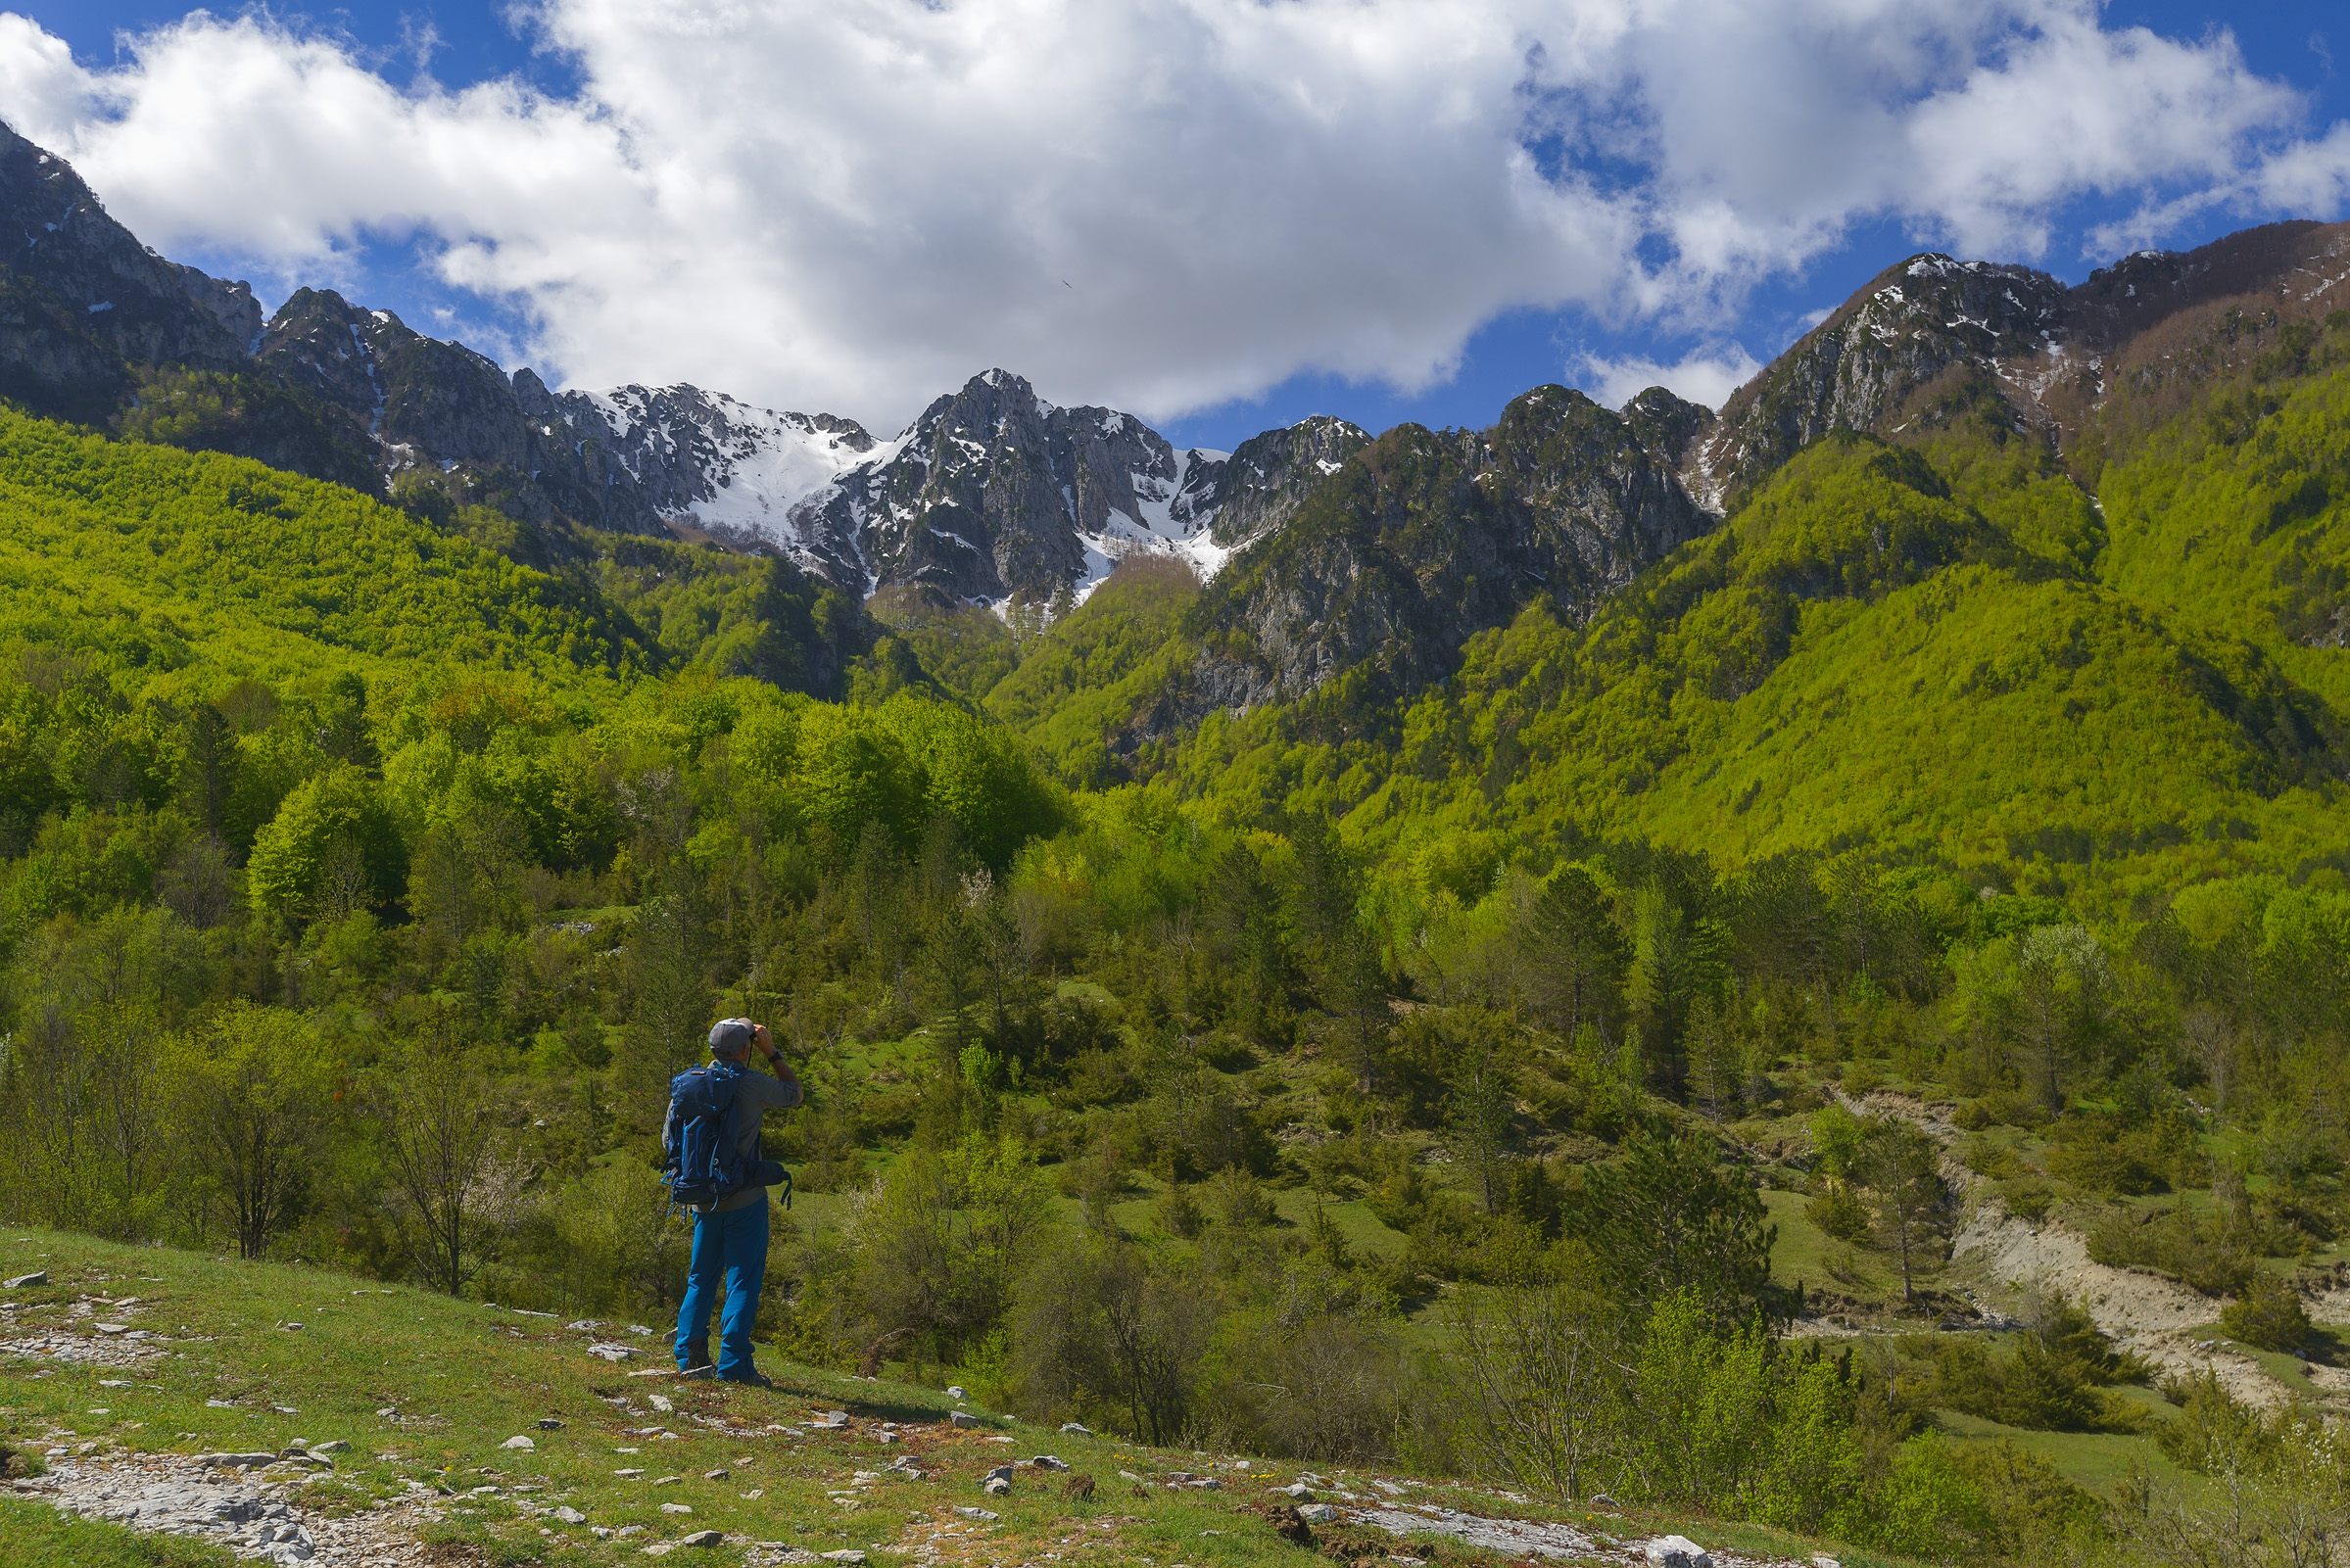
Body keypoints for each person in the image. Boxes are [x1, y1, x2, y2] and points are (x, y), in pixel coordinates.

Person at [669, 1017, 801, 1384]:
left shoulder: (688, 1084)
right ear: (746, 1048)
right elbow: (794, 1093)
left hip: (701, 1200)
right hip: (745, 1201)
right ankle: (734, 1366)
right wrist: (772, 1052)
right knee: (742, 1281)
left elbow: (671, 1139)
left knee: (700, 1279)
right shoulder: (751, 1083)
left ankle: (691, 1357)